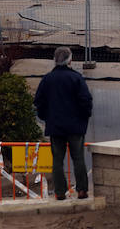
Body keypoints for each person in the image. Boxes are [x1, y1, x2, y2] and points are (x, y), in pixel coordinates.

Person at [34, 47, 93, 200]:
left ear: (55, 59)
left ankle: (60, 192)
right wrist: (84, 118)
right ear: (70, 60)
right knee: (78, 158)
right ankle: (82, 190)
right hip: (75, 127)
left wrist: (46, 117)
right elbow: (86, 101)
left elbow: (39, 101)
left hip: (55, 126)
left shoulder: (47, 79)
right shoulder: (76, 78)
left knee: (57, 160)